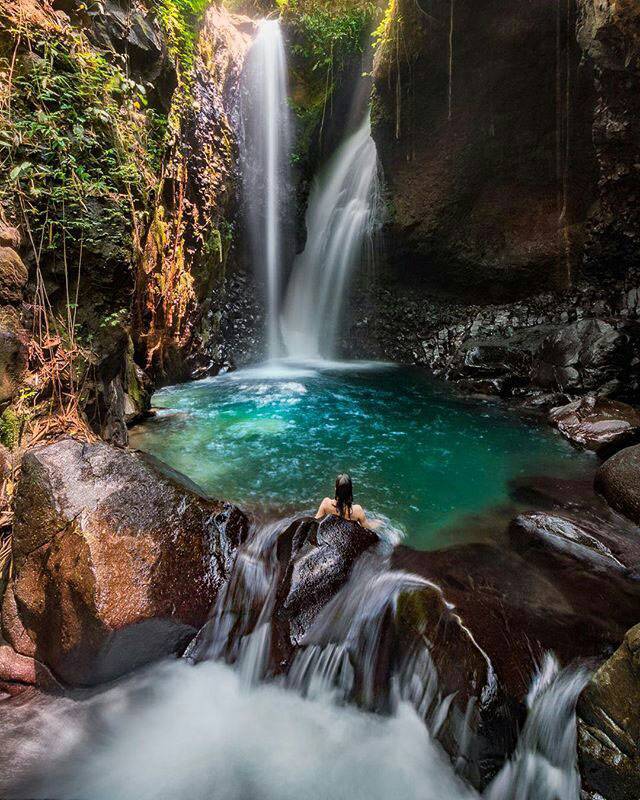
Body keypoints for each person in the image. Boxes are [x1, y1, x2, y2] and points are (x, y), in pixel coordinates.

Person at [315, 473, 381, 530]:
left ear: (335, 489)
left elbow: (315, 522)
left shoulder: (326, 503)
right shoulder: (357, 510)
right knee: (377, 523)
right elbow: (367, 528)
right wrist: (378, 523)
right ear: (350, 490)